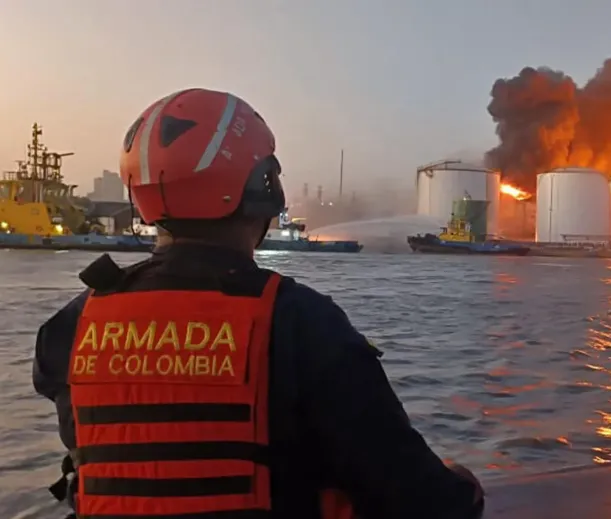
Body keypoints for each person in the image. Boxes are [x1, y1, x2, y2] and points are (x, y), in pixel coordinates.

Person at [32, 88, 485, 519]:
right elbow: (418, 499)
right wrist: (462, 488)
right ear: (266, 190)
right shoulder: (301, 325)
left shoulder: (70, 328)